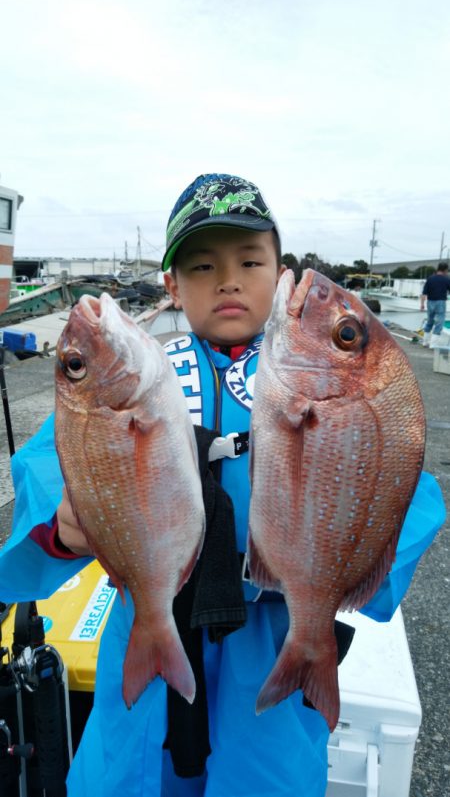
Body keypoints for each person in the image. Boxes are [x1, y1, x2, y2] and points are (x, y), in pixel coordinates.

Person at [0, 173, 445, 797]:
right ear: (173, 285)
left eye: (250, 260)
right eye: (203, 265)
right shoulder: (139, 370)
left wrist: (340, 561)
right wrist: (60, 524)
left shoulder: (315, 369)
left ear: (279, 270)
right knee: (125, 778)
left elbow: (404, 484)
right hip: (147, 629)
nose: (229, 280)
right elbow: (56, 457)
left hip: (272, 639)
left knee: (263, 779)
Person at [420, 261, 450, 348]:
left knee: (429, 321)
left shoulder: (430, 278)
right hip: (440, 302)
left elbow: (424, 293)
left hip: (430, 302)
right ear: (445, 270)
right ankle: (433, 344)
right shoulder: (446, 279)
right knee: (439, 323)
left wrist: (422, 304)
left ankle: (425, 342)